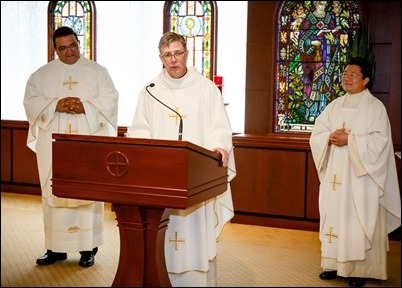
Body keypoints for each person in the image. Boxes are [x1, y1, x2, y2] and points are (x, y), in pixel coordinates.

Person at [126, 31, 236, 287]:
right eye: (167, 55)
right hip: (160, 178)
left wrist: (219, 147)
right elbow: (140, 128)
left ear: (187, 54)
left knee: (196, 232)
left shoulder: (206, 89)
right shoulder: (151, 91)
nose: (173, 60)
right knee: (161, 229)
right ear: (160, 58)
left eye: (177, 53)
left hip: (195, 178)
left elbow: (219, 126)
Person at [23, 26, 119, 268]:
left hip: (87, 145)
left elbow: (110, 100)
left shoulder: (97, 72)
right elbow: (31, 101)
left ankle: (88, 248)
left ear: (79, 43)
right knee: (56, 192)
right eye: (63, 48)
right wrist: (56, 104)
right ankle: (55, 248)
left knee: (85, 191)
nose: (69, 52)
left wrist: (85, 106)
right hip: (54, 145)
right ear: (55, 49)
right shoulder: (41, 75)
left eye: (73, 45)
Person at [309, 57, 401, 287]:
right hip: (336, 176)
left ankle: (360, 269)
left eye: (353, 74)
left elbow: (381, 142)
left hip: (361, 179)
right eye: (345, 74)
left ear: (366, 80)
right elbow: (318, 132)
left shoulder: (374, 108)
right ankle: (333, 264)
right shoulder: (335, 105)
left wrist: (350, 140)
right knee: (335, 218)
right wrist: (328, 138)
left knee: (357, 219)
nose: (347, 78)